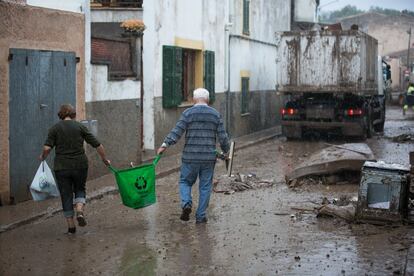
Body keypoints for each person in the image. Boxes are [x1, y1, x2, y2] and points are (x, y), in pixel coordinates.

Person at [157, 88, 230, 224]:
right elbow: (223, 137)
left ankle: (186, 204)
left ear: (194, 99)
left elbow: (177, 131)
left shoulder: (187, 113)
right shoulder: (215, 115)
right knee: (205, 186)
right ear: (207, 100)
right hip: (208, 158)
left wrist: (165, 144)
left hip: (190, 158)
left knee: (185, 182)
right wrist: (227, 152)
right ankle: (201, 216)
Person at [39, 104, 110, 234]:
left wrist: (42, 157)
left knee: (66, 194)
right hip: (80, 165)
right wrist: (104, 159)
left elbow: (46, 148)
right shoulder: (80, 127)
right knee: (80, 189)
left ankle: (71, 227)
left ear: (61, 114)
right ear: (73, 114)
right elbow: (98, 145)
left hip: (62, 167)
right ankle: (79, 210)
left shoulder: (54, 129)